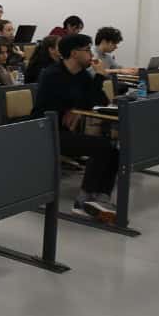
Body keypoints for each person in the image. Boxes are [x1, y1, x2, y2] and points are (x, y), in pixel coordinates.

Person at [33, 34, 120, 223]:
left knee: (115, 148)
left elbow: (98, 101)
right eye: (87, 50)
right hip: (45, 132)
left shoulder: (81, 75)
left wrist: (98, 78)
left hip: (66, 131)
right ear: (74, 53)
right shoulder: (52, 74)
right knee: (101, 146)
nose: (91, 54)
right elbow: (60, 103)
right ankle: (82, 202)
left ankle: (100, 197)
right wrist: (75, 107)